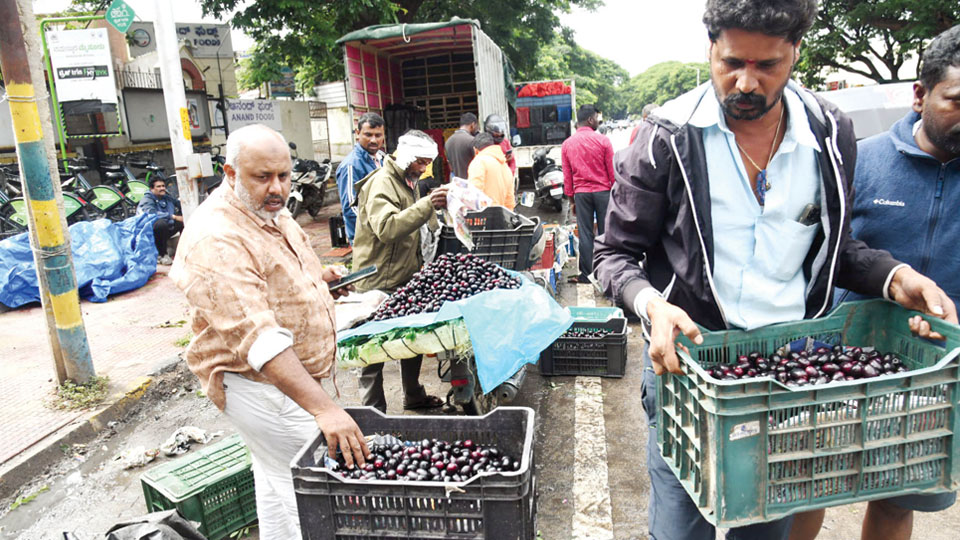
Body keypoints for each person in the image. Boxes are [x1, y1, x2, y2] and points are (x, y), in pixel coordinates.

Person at [592, 2, 958, 539]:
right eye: (733, 61)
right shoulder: (667, 136)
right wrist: (653, 304)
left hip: (783, 375)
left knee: (765, 527)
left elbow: (835, 248)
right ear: (711, 49)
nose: (746, 81)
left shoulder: (829, 134)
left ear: (795, 55)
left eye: (767, 65)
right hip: (689, 370)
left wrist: (894, 276)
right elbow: (612, 256)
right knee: (679, 529)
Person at [170, 124, 369, 540]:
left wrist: (321, 279)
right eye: (263, 177)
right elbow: (259, 339)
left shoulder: (268, 212)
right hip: (259, 386)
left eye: (283, 175)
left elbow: (279, 272)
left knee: (275, 481)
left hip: (283, 385)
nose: (276, 188)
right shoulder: (217, 237)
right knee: (313, 495)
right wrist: (325, 409)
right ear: (230, 173)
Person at [816, 24, 960, 540]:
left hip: (934, 377)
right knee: (805, 486)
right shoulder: (861, 160)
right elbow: (823, 254)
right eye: (956, 100)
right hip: (839, 364)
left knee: (898, 500)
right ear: (920, 95)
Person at [351, 130, 449, 413]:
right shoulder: (382, 183)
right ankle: (373, 413)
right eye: (420, 162)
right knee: (370, 350)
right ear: (406, 157)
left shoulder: (408, 180)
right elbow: (388, 228)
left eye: (427, 163)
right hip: (377, 279)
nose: (423, 168)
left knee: (411, 339)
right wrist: (427, 205)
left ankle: (413, 395)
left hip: (404, 275)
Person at [561, 103, 616, 284]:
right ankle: (608, 272)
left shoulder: (568, 144)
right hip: (603, 192)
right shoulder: (603, 141)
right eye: (597, 119)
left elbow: (567, 177)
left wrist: (572, 200)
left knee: (585, 234)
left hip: (581, 194)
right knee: (606, 233)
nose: (598, 122)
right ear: (591, 119)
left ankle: (586, 275)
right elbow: (612, 173)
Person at [336, 112, 385, 244]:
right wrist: (380, 228)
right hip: (366, 240)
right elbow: (350, 208)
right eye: (368, 135)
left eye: (378, 135)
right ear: (358, 133)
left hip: (383, 237)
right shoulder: (351, 165)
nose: (373, 140)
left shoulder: (383, 159)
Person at [136, 177, 182, 265]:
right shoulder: (147, 199)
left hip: (168, 226)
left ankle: (183, 250)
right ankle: (162, 254)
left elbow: (180, 204)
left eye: (163, 186)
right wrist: (174, 217)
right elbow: (152, 214)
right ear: (152, 189)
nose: (162, 188)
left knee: (183, 222)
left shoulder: (167, 198)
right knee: (161, 224)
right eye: (158, 186)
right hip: (150, 231)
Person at [466, 132, 516, 209]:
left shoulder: (479, 161)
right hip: (501, 217)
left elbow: (473, 196)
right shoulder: (505, 167)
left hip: (485, 216)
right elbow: (510, 203)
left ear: (475, 150)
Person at [445, 112, 478, 179]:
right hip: (471, 181)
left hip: (457, 182)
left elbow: (450, 167)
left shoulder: (448, 141)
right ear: (473, 124)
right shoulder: (472, 140)